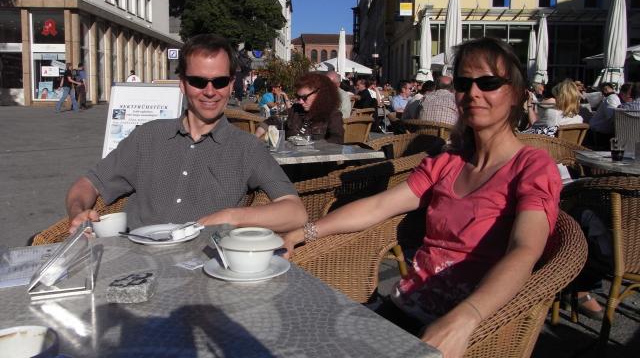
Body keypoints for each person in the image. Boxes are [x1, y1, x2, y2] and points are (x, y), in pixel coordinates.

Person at [283, 37, 560, 357]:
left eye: (488, 83)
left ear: (515, 94)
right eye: (463, 82)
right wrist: (302, 232)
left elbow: (526, 249)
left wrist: (466, 318)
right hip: (404, 309)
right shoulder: (449, 161)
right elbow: (379, 205)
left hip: (474, 327)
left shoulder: (531, 166)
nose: (473, 93)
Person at [66, 34, 307, 233]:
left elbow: (295, 212)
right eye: (198, 82)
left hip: (202, 271)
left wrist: (231, 216)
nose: (210, 91)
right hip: (134, 263)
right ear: (182, 84)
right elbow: (88, 184)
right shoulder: (148, 136)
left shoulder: (246, 147)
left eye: (220, 81)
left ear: (232, 85)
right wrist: (78, 213)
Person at [256, 73, 344, 144]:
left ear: (320, 95)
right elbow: (273, 120)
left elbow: (337, 140)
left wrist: (312, 146)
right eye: (298, 97)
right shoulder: (295, 110)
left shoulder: (332, 114)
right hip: (290, 161)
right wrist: (257, 134)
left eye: (304, 97)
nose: (300, 101)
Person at [588, 82, 621, 149]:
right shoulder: (611, 98)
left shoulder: (611, 98)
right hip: (600, 133)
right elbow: (612, 119)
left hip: (600, 131)